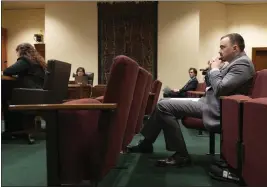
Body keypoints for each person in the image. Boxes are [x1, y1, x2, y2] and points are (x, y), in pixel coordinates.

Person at [127, 33, 255, 167]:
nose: (219, 50)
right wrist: (213, 69)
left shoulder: (243, 64)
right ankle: (147, 144)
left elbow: (220, 89)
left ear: (235, 48)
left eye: (223, 47)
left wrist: (215, 69)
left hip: (216, 108)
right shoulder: (232, 63)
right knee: (162, 104)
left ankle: (180, 154)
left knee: (164, 106)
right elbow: (211, 85)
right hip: (208, 102)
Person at [2, 43, 46, 135]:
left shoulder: (25, 60)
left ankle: (13, 130)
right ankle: (17, 128)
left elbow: (8, 71)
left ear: (21, 51)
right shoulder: (39, 62)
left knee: (5, 94)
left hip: (28, 95)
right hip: (39, 95)